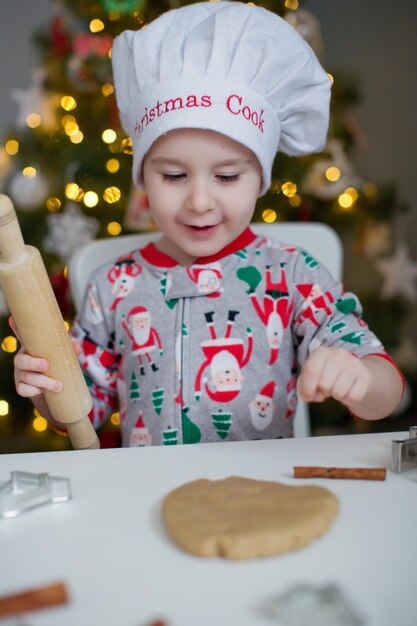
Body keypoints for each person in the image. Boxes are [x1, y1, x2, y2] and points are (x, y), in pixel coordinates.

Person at [12, 1, 403, 446]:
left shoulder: (294, 277)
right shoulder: (113, 286)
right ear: (143, 177)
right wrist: (46, 383)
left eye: (228, 176)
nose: (199, 201)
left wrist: (362, 380)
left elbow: (386, 393)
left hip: (260, 501)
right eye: (174, 175)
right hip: (145, 500)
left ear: (260, 178)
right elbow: (82, 408)